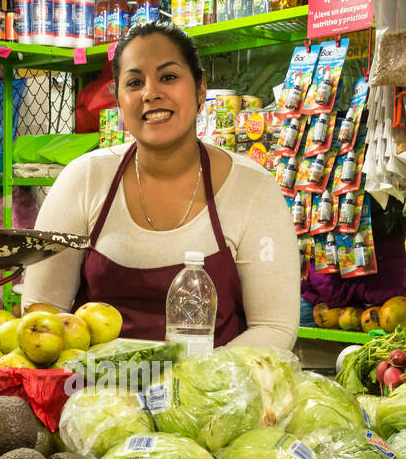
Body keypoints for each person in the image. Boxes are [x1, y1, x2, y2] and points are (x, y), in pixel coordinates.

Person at [18, 20, 299, 349]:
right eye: (135, 82)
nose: (150, 93)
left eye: (168, 77)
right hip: (94, 393)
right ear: (120, 100)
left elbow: (273, 328)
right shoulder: (84, 179)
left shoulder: (253, 189)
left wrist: (186, 382)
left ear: (200, 89)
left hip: (209, 394)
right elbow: (42, 313)